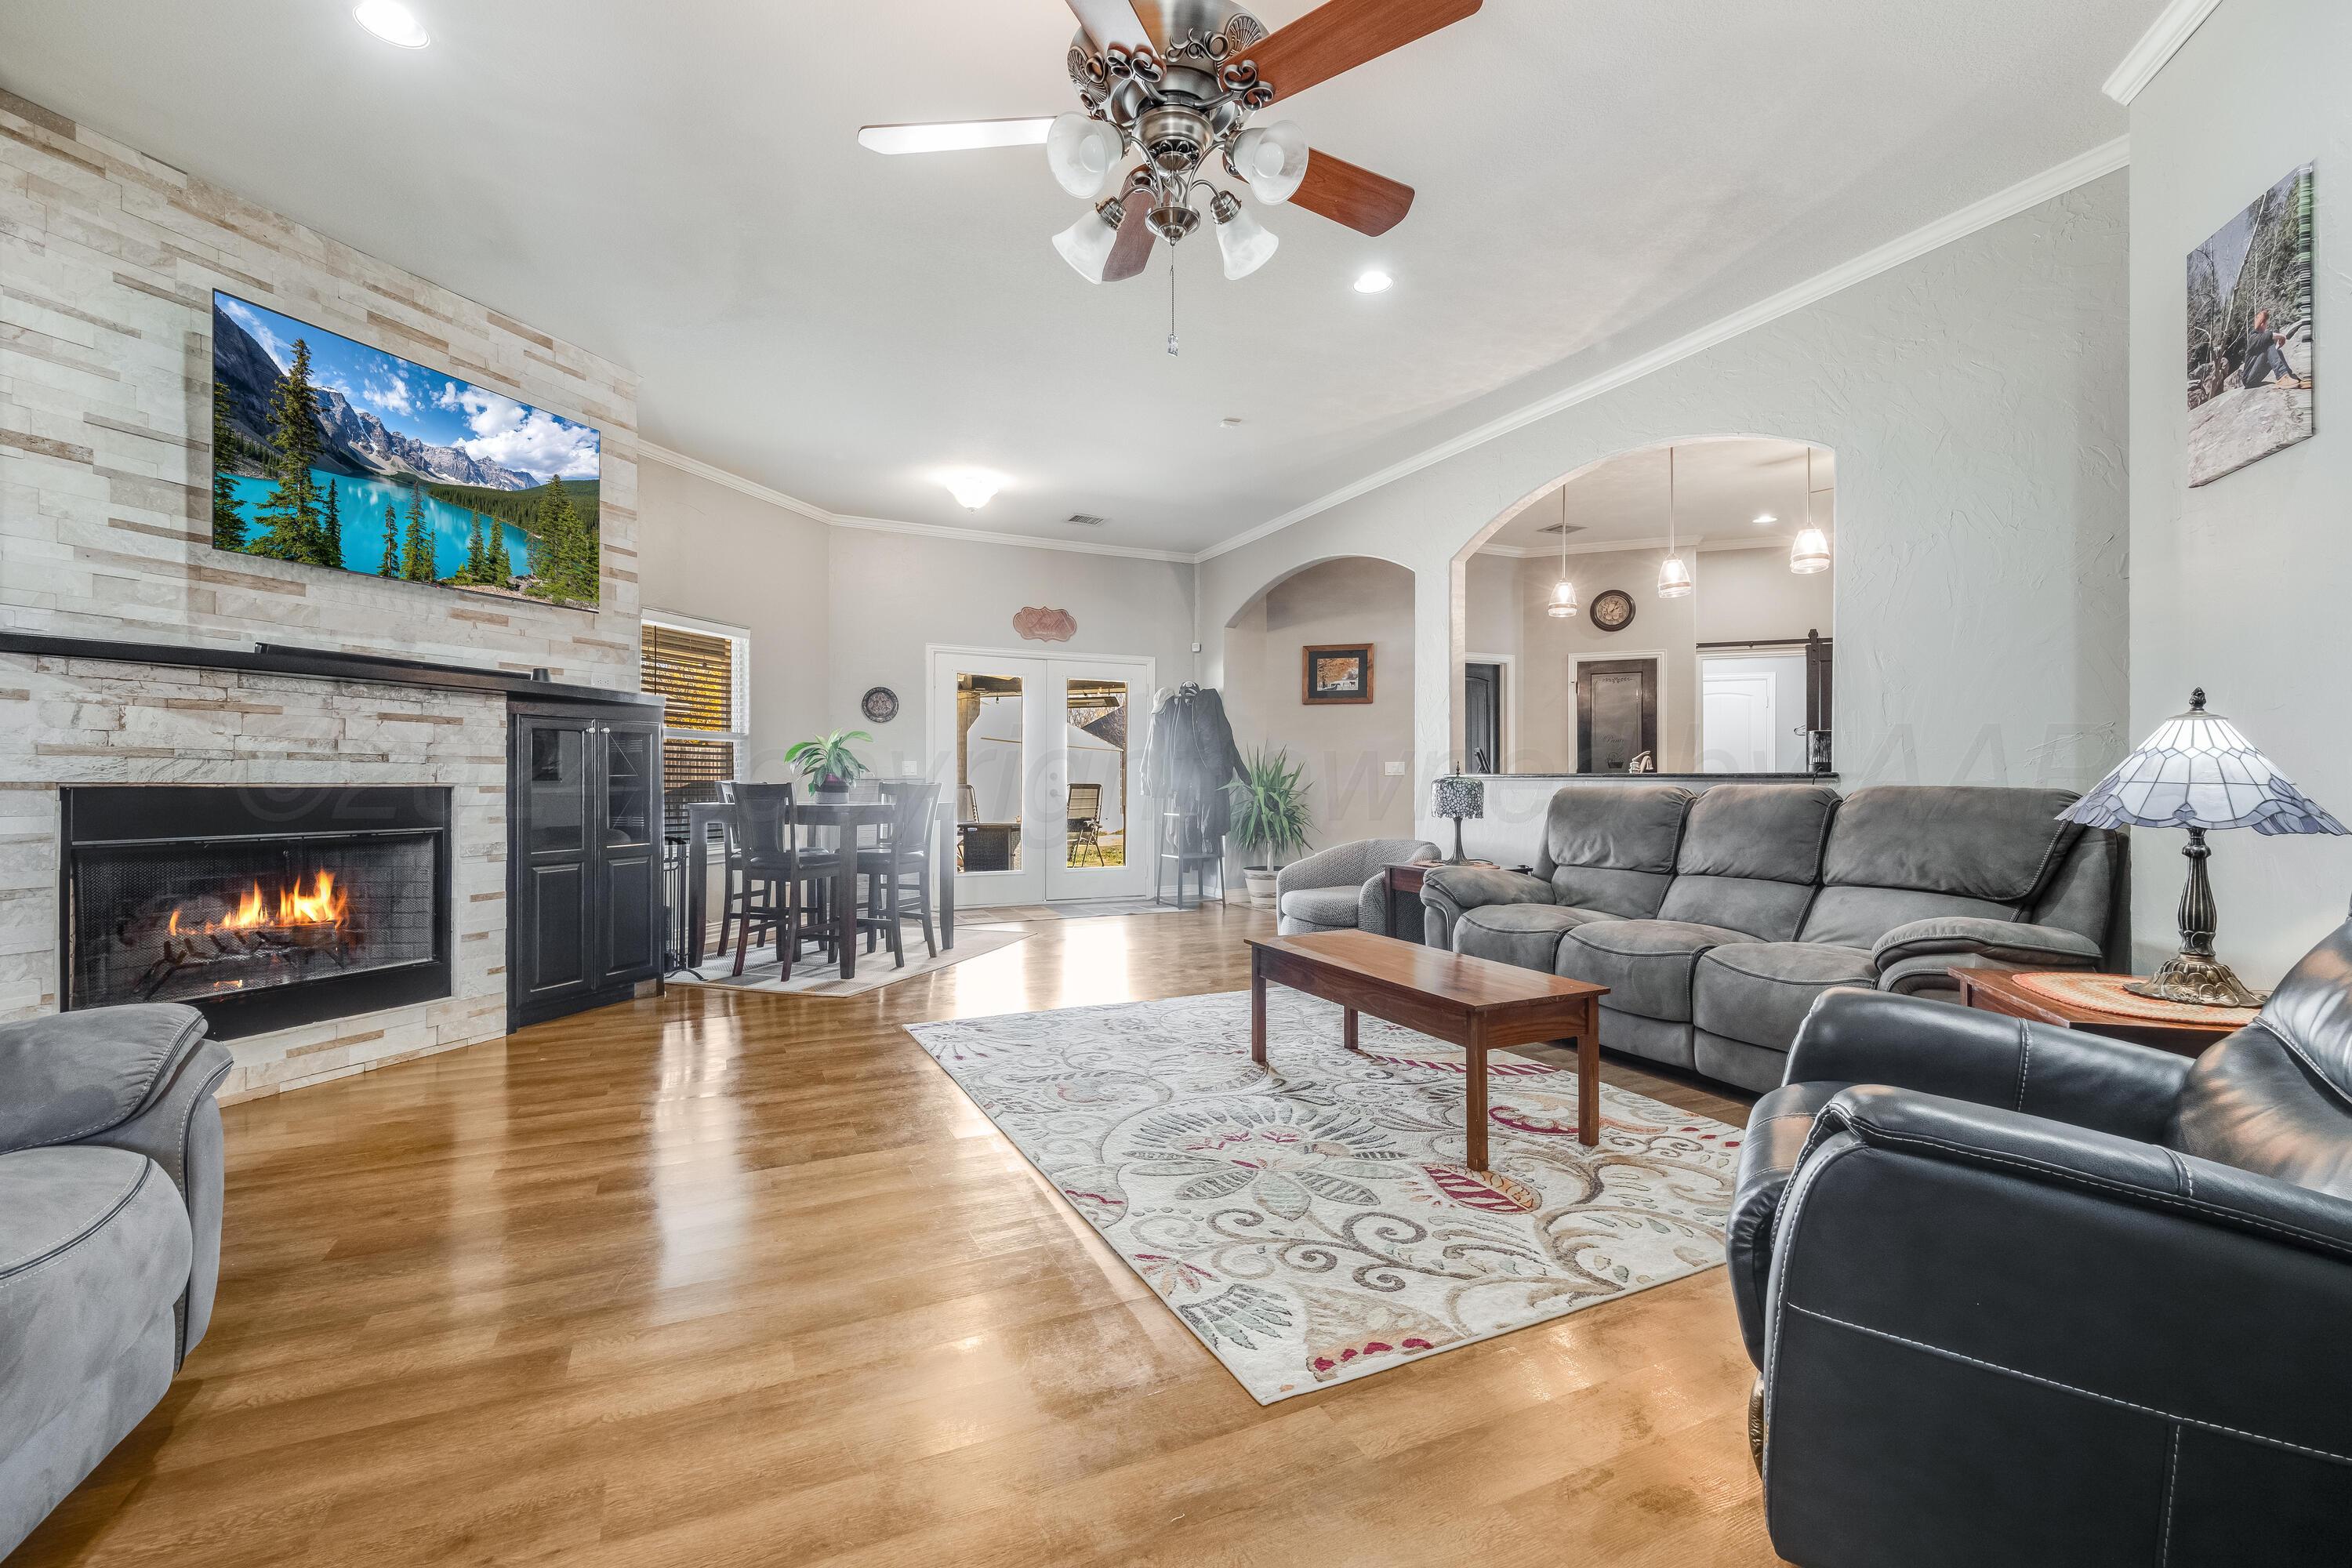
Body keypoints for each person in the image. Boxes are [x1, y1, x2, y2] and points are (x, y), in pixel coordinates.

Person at [2242, 307, 2296, 389]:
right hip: (2248, 380)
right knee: (2268, 343)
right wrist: (2282, 336)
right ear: (2262, 325)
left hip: (2256, 376)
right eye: (2266, 325)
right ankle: (2282, 376)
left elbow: (2267, 357)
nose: (2266, 327)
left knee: (2279, 351)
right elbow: (2268, 336)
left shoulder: (2259, 339)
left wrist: (2277, 347)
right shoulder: (2253, 337)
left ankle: (2289, 376)